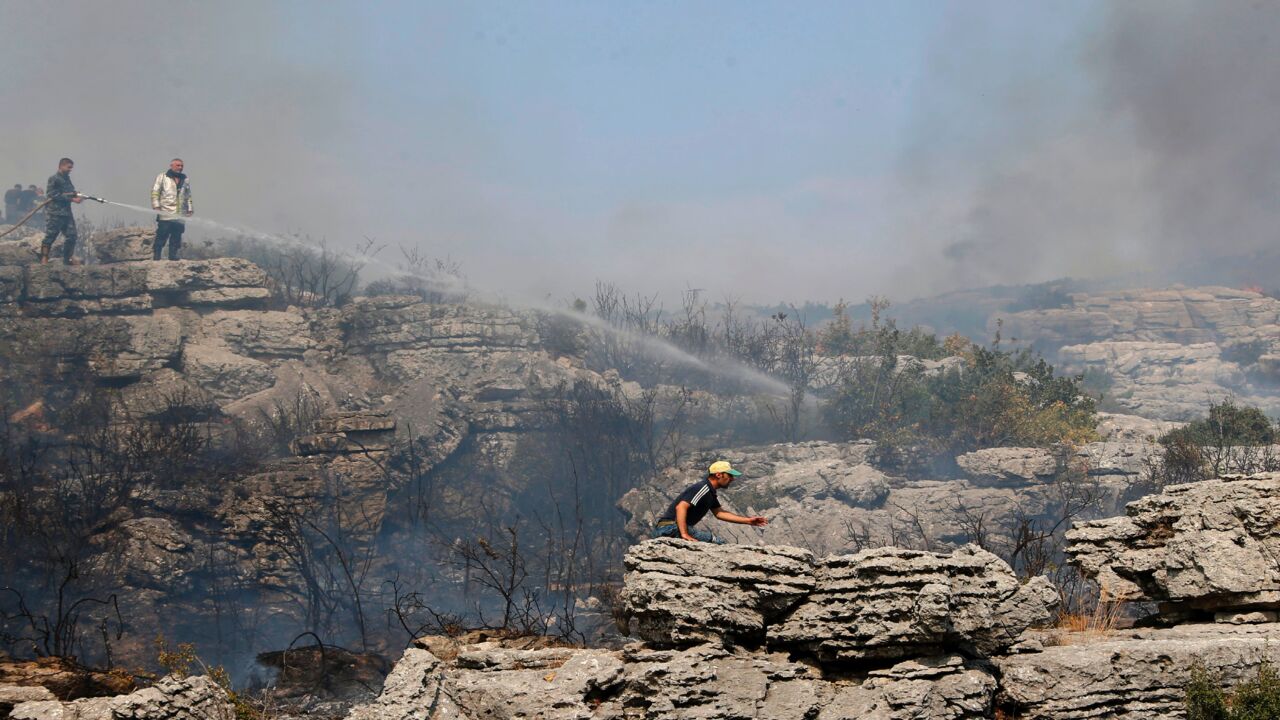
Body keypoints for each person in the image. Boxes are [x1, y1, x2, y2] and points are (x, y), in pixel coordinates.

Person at [652, 461, 768, 543]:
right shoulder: (703, 488)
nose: (732, 479)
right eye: (729, 475)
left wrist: (749, 521)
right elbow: (681, 507)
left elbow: (719, 513)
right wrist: (684, 534)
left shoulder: (710, 492)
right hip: (670, 528)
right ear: (718, 475)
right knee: (718, 543)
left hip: (672, 528)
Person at [150, 158, 193, 260]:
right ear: (172, 166)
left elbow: (188, 194)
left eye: (181, 166)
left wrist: (190, 208)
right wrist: (156, 205)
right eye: (178, 165)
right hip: (166, 212)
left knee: (177, 236)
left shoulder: (185, 178)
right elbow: (155, 191)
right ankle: (157, 256)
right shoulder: (162, 177)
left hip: (180, 213)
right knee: (162, 235)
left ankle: (173, 256)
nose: (180, 168)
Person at [41, 159, 82, 265]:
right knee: (51, 236)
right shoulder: (54, 179)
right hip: (55, 213)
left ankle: (67, 259)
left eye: (71, 167)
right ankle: (44, 258)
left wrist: (76, 194)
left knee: (72, 236)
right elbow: (52, 194)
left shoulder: (67, 179)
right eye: (69, 167)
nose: (70, 170)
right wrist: (72, 199)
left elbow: (69, 192)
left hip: (67, 213)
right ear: (61, 166)